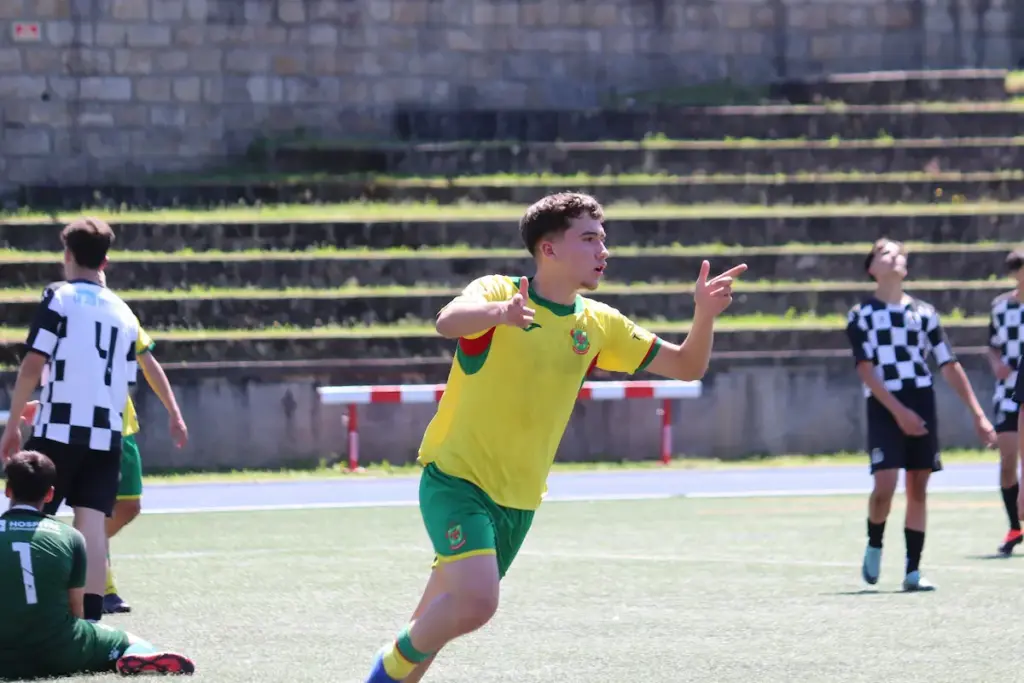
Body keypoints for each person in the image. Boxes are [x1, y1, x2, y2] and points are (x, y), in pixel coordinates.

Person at [362, 192, 747, 683]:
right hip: (457, 479)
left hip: (519, 499)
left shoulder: (600, 324)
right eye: (589, 239)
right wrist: (499, 315)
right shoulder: (499, 290)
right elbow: (447, 321)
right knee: (476, 604)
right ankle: (389, 658)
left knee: (437, 622)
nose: (602, 250)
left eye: (603, 240)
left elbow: (688, 366)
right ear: (549, 250)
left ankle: (390, 671)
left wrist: (705, 316)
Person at [0, 218, 141, 623]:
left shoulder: (59, 297)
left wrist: (14, 423)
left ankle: (19, 607)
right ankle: (90, 620)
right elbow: (123, 381)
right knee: (92, 523)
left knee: (28, 515)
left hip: (59, 428)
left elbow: (33, 363)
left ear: (67, 255)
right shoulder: (124, 311)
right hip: (106, 434)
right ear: (106, 262)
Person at [846, 237, 995, 592]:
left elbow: (949, 363)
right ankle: (875, 542)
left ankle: (913, 570)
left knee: (918, 486)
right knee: (884, 485)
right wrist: (899, 413)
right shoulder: (861, 315)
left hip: (921, 399)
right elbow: (866, 371)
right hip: (885, 403)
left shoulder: (924, 313)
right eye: (885, 253)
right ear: (872, 268)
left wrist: (978, 414)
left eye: (899, 254)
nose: (894, 257)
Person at [0, 450, 194, 679]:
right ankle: (131, 657)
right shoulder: (69, 536)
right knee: (131, 642)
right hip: (60, 651)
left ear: (8, 490)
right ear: (50, 494)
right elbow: (76, 609)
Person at [986, 248, 1024, 556]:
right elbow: (992, 346)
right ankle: (1014, 527)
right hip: (1009, 393)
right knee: (1008, 460)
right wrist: (996, 363)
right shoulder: (1000, 307)